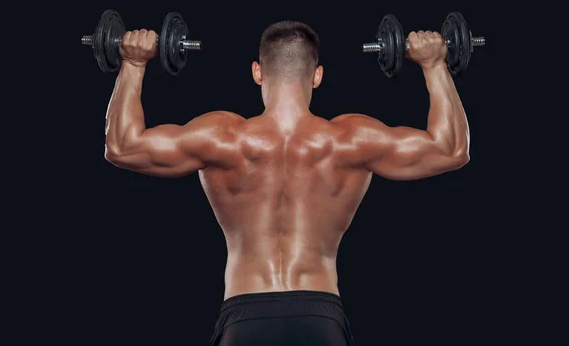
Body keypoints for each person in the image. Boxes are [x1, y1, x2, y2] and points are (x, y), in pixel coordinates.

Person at [103, 21, 470, 345]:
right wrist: (434, 64)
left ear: (257, 72)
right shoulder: (349, 139)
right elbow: (451, 149)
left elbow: (122, 147)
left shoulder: (223, 138)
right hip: (320, 317)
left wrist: (133, 64)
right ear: (317, 75)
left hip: (244, 316)